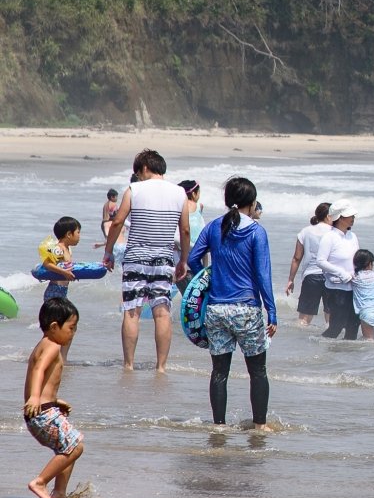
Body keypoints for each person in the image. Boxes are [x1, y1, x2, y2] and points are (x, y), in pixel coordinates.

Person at [185, 176, 276, 429]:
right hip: (246, 309)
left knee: (219, 372)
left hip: (216, 309)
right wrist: (272, 311)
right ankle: (260, 426)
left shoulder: (214, 227)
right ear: (252, 201)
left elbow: (193, 260)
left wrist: (210, 278)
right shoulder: (257, 232)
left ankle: (219, 426)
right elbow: (262, 274)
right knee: (257, 372)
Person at [103, 148, 186, 373]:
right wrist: (184, 260)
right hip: (164, 258)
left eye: (138, 172)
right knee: (162, 312)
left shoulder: (134, 189)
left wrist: (108, 252)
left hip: (136, 257)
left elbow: (118, 221)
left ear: (145, 168)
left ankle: (128, 365)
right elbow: (185, 230)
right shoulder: (180, 193)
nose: (138, 177)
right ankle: (161, 367)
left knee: (132, 311)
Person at [22, 296, 83, 498]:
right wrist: (36, 397)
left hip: (43, 410)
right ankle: (40, 482)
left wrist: (55, 401)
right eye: (71, 328)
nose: (73, 333)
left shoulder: (43, 344)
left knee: (67, 447)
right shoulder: (52, 346)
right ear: (55, 326)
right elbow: (38, 370)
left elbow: (40, 375)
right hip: (42, 412)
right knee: (75, 447)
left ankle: (59, 492)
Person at [318, 204, 362, 340]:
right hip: (337, 289)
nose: (353, 218)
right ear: (340, 218)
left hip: (354, 288)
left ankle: (347, 359)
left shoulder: (352, 236)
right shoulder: (329, 237)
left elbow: (358, 258)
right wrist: (342, 274)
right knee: (336, 326)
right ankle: (320, 349)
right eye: (350, 216)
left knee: (353, 326)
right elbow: (320, 261)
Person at [285, 203, 331, 326]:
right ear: (328, 216)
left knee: (303, 320)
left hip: (311, 277)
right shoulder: (334, 232)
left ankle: (299, 343)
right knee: (331, 320)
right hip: (331, 277)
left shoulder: (305, 231)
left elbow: (297, 257)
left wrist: (291, 279)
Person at [38, 217, 81, 310]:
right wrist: (64, 272)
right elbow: (47, 263)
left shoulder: (68, 249)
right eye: (78, 232)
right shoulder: (58, 248)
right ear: (69, 234)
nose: (79, 236)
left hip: (62, 291)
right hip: (54, 291)